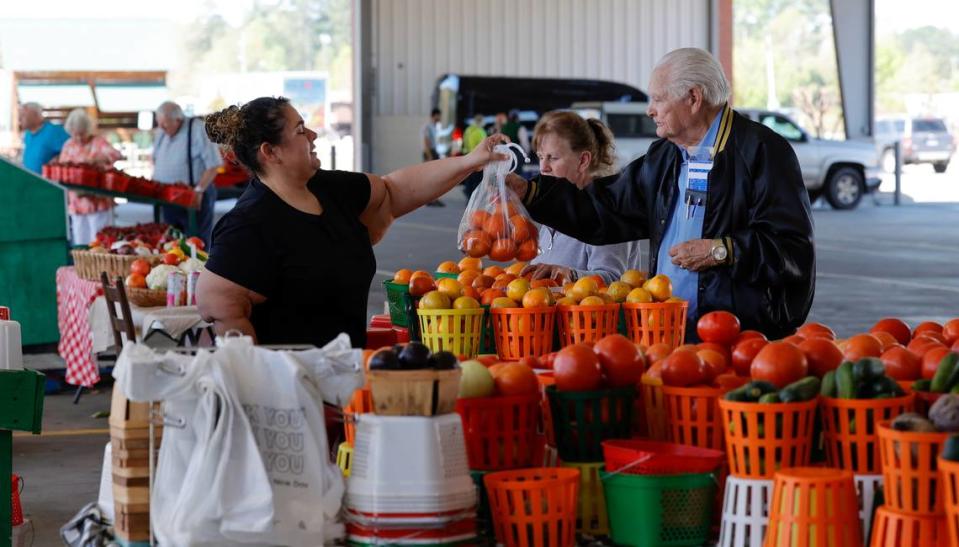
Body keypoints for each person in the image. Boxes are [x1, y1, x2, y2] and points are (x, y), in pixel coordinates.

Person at [508, 48, 815, 340]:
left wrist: (722, 250)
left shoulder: (763, 152)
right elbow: (605, 208)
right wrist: (533, 192)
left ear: (693, 98)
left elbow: (793, 251)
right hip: (668, 330)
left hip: (739, 337)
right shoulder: (665, 156)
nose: (649, 110)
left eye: (657, 99)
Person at [197, 96, 508, 349]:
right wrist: (262, 388)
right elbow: (217, 302)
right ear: (270, 152)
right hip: (292, 393)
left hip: (345, 377)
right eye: (300, 130)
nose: (313, 135)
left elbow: (394, 191)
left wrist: (470, 161)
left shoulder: (331, 189)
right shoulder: (249, 224)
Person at [521, 111, 643, 285]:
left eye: (553, 158)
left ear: (583, 160)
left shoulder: (606, 210)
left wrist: (570, 274)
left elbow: (616, 281)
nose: (543, 168)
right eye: (540, 157)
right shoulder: (556, 207)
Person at [152, 101, 223, 246]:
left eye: (165, 123)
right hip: (168, 197)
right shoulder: (161, 132)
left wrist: (198, 190)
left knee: (196, 244)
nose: (161, 127)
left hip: (193, 195)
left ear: (178, 120)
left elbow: (214, 165)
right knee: (172, 242)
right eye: (158, 123)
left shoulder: (197, 129)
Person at [59, 109, 123, 245]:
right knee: (80, 242)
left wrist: (99, 159)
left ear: (87, 130)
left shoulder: (98, 142)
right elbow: (62, 168)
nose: (78, 138)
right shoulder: (68, 145)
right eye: (74, 134)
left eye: (81, 134)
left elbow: (117, 155)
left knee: (100, 241)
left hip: (98, 201)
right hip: (77, 201)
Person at [18, 102, 69, 174]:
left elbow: (73, 147)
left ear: (35, 115)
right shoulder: (28, 134)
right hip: (29, 181)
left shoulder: (54, 131)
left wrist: (58, 158)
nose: (19, 118)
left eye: (23, 115)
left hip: (46, 182)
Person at [421, 108, 445, 206]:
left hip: (433, 152)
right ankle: (430, 200)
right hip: (429, 152)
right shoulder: (428, 127)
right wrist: (429, 156)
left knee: (435, 178)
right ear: (435, 115)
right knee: (430, 178)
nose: (440, 117)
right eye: (439, 115)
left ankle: (433, 199)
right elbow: (426, 141)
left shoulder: (434, 127)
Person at [460, 114, 488, 198]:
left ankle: (468, 194)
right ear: (481, 121)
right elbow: (484, 146)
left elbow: (464, 142)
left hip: (466, 155)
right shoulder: (480, 131)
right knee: (477, 179)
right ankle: (474, 197)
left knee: (469, 177)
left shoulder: (468, 129)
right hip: (476, 157)